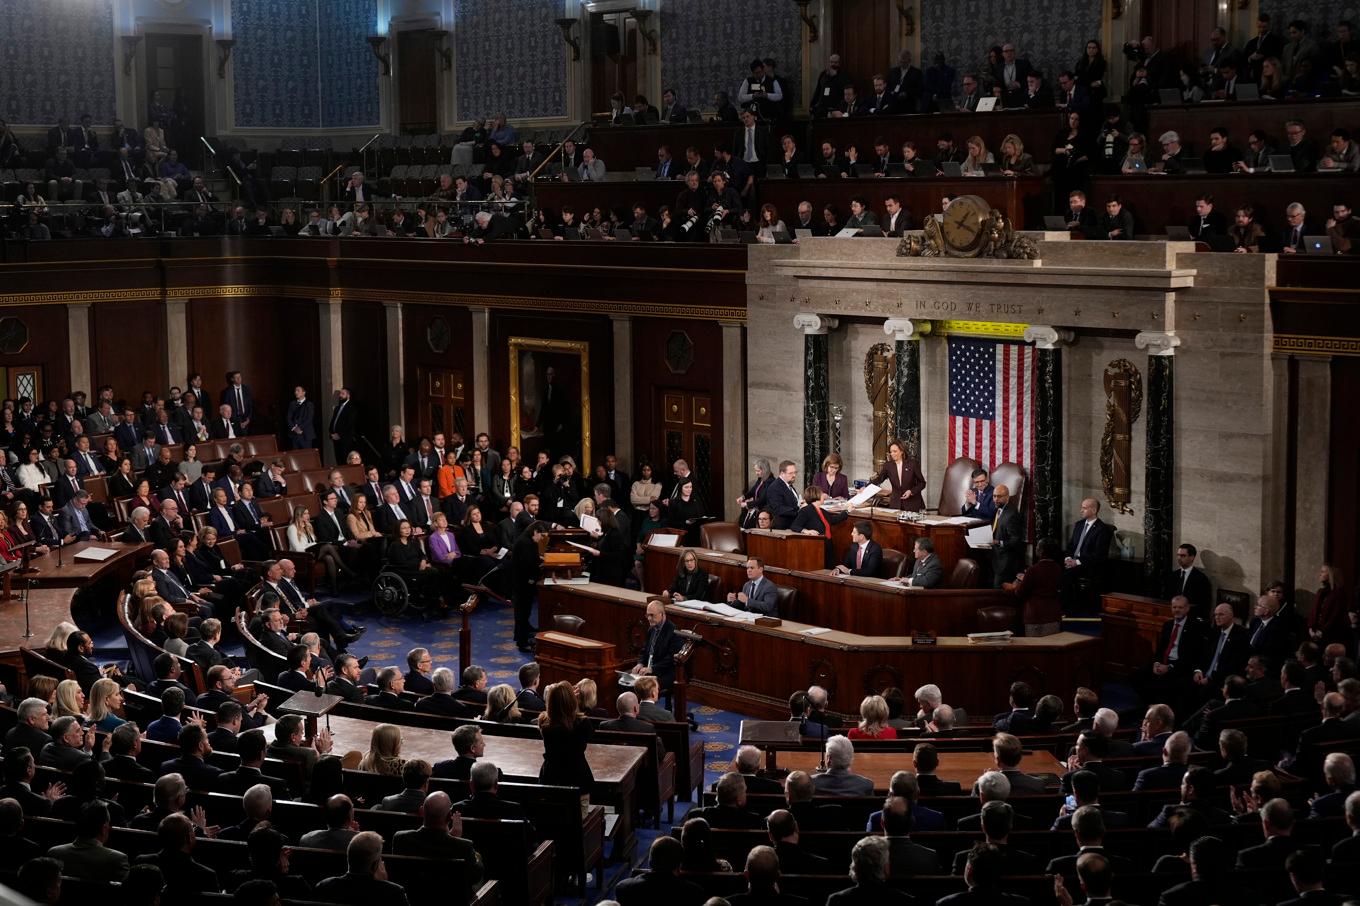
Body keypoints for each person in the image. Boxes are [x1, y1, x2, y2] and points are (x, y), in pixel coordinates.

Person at [537, 682, 594, 814]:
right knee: (578, 822)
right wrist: (571, 701)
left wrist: (561, 697)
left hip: (551, 776)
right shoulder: (583, 723)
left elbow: (557, 714)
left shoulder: (543, 722)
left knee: (554, 816)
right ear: (573, 701)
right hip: (577, 777)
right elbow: (575, 720)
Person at [1010, 538, 1063, 635]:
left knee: (1035, 647)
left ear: (1041, 551)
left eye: (1038, 547)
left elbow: (1019, 593)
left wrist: (1018, 582)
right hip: (1053, 615)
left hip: (1035, 616)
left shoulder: (1033, 570)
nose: (1036, 548)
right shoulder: (1058, 568)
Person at [868, 440, 925, 511]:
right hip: (896, 504)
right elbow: (879, 479)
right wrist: (866, 487)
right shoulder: (888, 465)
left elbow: (922, 483)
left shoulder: (912, 464)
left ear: (901, 451)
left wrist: (911, 491)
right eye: (891, 452)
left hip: (912, 504)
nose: (892, 454)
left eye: (895, 451)